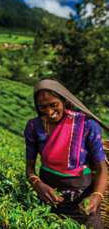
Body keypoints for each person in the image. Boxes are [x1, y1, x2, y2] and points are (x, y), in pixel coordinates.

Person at [24, 79, 108, 228]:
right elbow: (29, 168)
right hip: (49, 198)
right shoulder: (34, 126)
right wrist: (38, 185)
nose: (49, 112)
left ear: (64, 101)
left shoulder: (87, 125)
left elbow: (102, 167)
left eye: (54, 105)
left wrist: (96, 196)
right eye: (43, 107)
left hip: (83, 200)